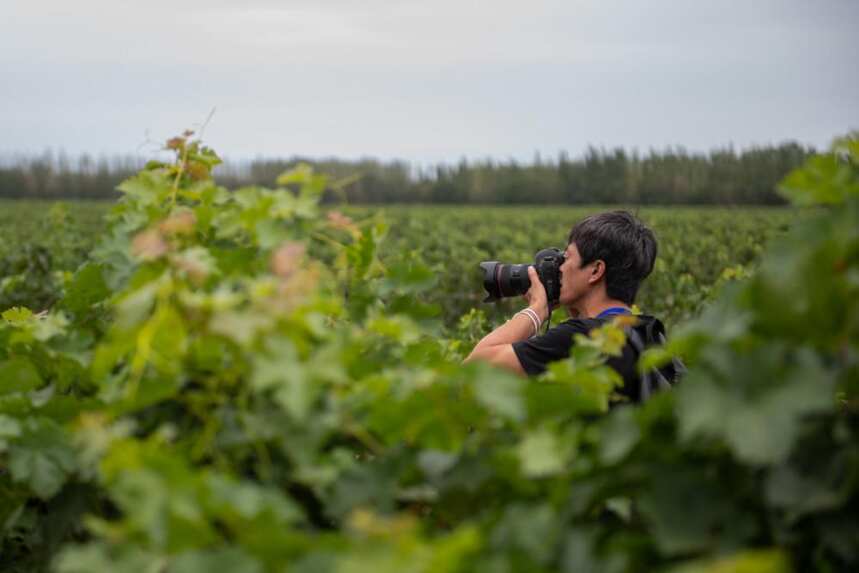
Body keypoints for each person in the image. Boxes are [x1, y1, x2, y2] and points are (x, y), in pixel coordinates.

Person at [464, 210, 672, 403]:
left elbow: (474, 368)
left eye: (567, 257)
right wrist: (577, 311)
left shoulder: (581, 339)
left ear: (595, 271)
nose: (560, 267)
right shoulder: (646, 334)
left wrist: (537, 309)